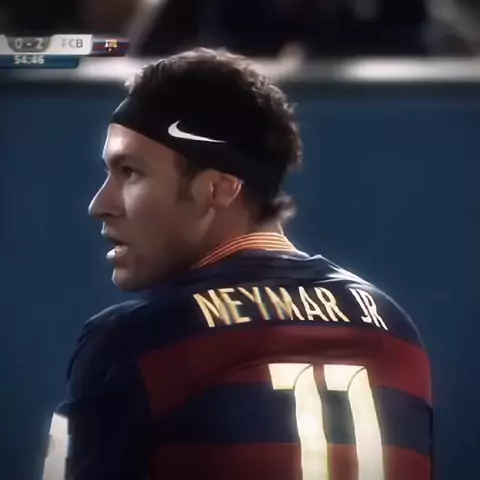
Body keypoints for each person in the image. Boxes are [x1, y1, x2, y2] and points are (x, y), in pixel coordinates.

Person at [45, 48, 432, 480]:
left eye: (130, 172)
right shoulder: (395, 329)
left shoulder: (136, 341)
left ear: (217, 189)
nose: (100, 204)